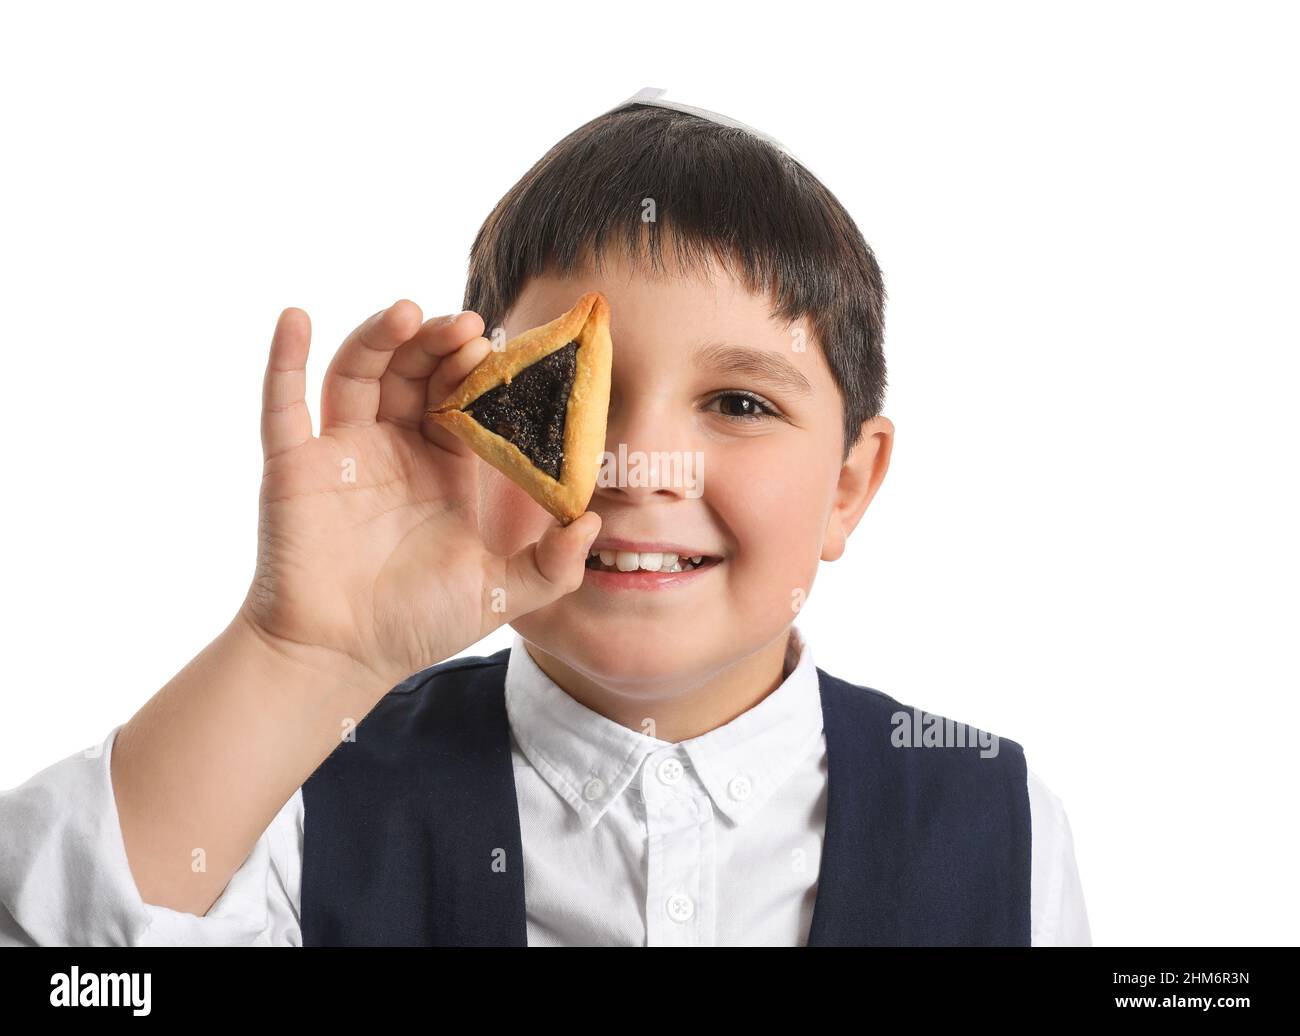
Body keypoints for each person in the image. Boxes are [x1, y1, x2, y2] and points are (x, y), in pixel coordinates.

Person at [0, 91, 1090, 947]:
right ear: (473, 430)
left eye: (740, 403)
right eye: (568, 396)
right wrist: (301, 655)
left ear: (850, 484)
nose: (638, 466)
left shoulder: (996, 823)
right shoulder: (297, 787)